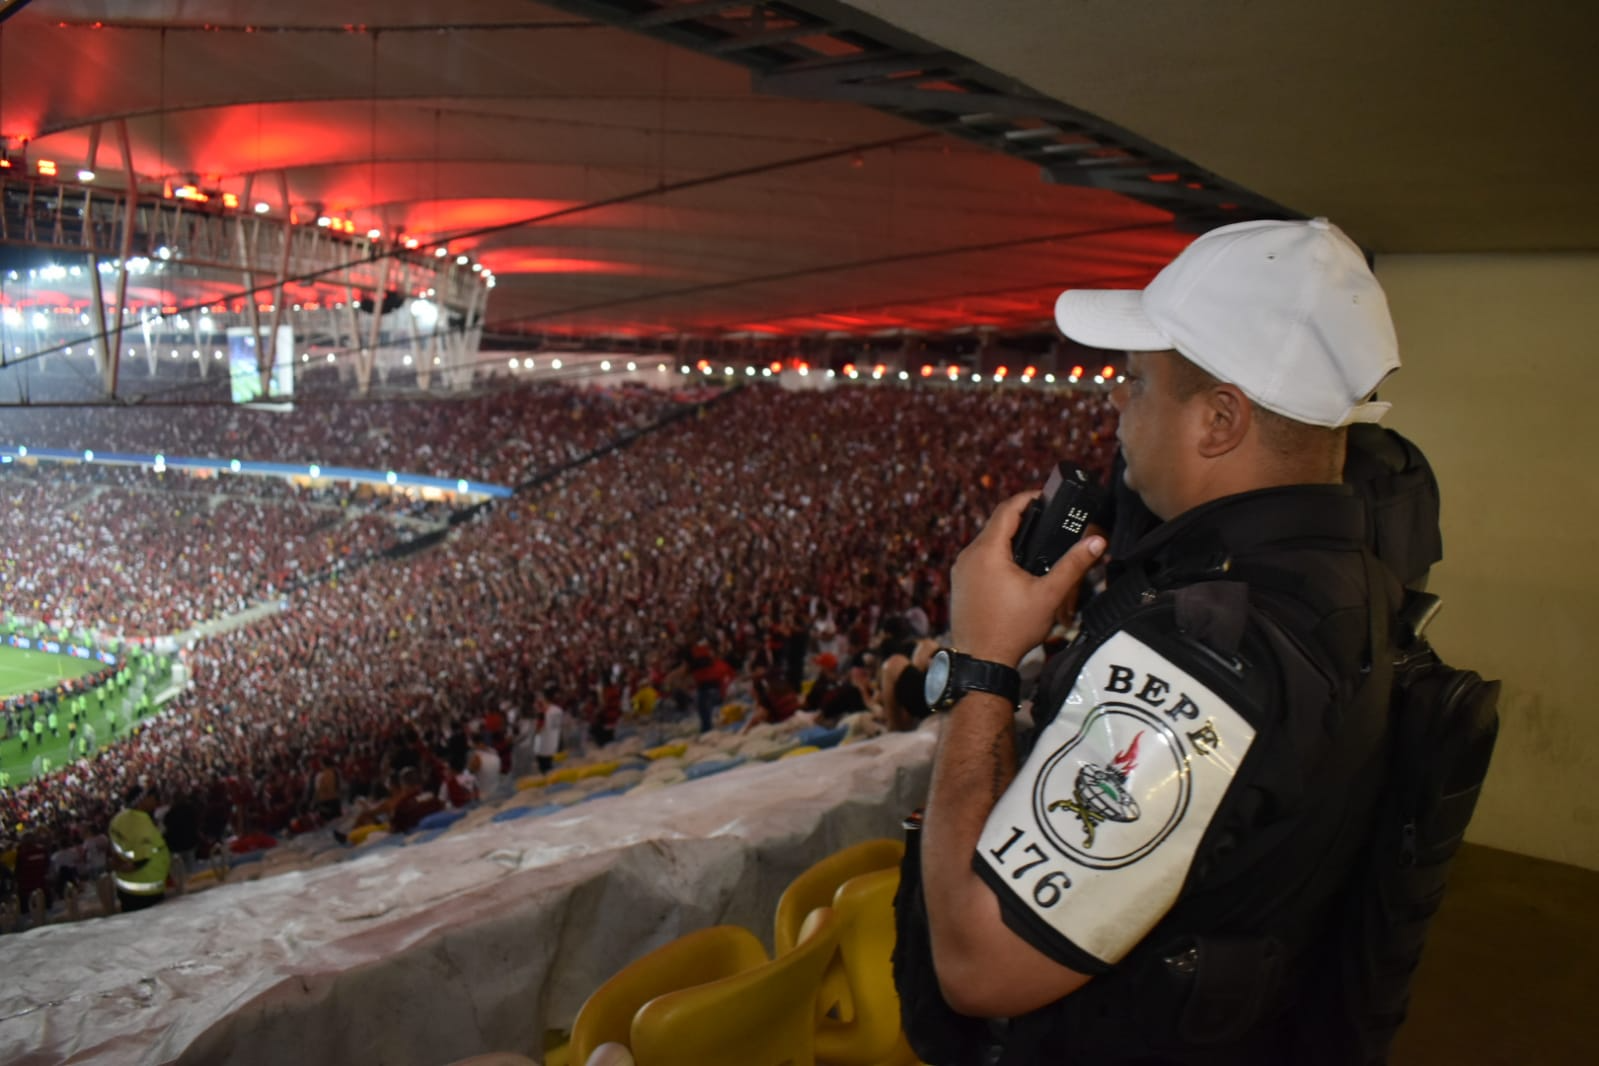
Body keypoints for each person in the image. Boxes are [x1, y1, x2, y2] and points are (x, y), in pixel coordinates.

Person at [909, 218, 1404, 1064]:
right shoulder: (1350, 575)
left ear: (1218, 421)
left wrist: (982, 662)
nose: (1112, 402)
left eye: (1135, 382)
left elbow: (980, 966)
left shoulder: (1201, 655)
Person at [109, 785, 171, 912]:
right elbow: (141, 859)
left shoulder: (117, 819)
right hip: (146, 891)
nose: (155, 800)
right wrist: (124, 867)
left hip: (126, 889)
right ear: (141, 801)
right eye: (151, 797)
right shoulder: (141, 822)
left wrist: (118, 866)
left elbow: (114, 853)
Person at [533, 690, 564, 775]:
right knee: (553, 767)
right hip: (556, 742)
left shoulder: (542, 713)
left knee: (546, 770)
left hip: (543, 746)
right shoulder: (558, 710)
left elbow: (538, 730)